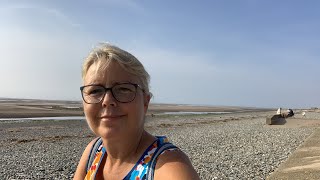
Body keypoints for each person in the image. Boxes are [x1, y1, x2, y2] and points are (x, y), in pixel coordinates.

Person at [73, 43, 199, 180]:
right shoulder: (94, 151)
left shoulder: (169, 166)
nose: (107, 100)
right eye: (95, 90)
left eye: (123, 89)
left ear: (145, 102)